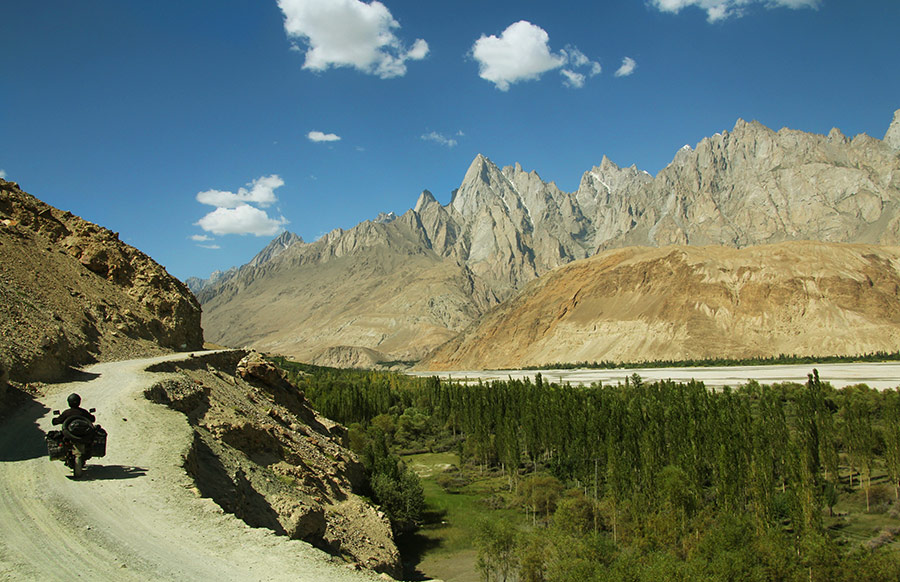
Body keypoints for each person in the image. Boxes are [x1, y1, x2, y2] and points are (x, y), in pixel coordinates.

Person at [52, 393, 95, 476]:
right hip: (83, 436)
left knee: (60, 438)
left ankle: (65, 456)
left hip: (69, 436)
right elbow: (92, 419)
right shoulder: (83, 412)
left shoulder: (67, 413)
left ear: (69, 402)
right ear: (79, 402)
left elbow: (57, 421)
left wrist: (55, 420)